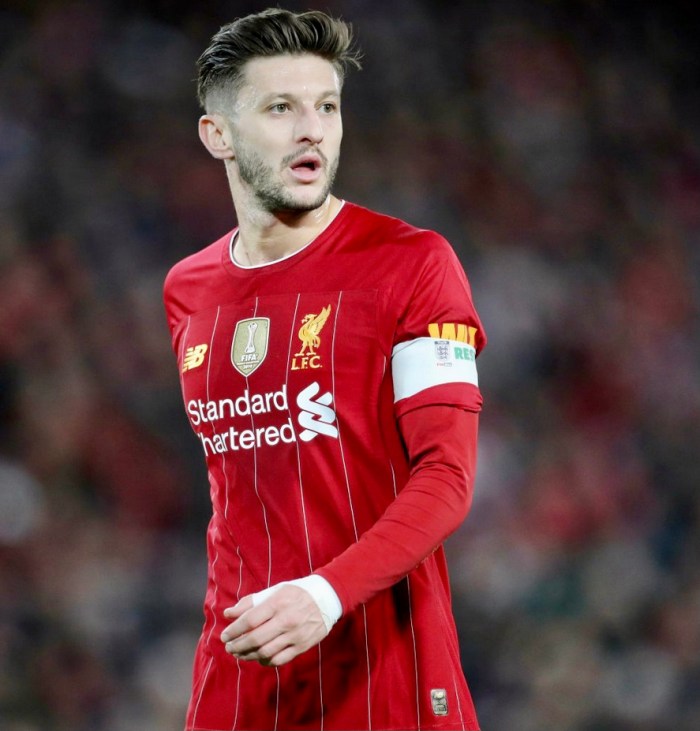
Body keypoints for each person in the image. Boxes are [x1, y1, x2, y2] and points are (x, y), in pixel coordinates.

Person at [163, 8, 486, 731]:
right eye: (281, 108)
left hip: (383, 676)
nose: (312, 129)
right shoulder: (188, 289)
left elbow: (447, 477)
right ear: (218, 135)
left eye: (328, 107)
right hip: (241, 677)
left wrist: (324, 595)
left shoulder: (413, 264)